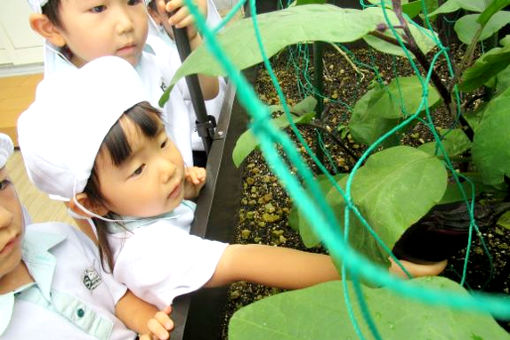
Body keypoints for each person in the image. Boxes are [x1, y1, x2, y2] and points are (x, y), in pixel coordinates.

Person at [18, 56, 342, 313]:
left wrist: (186, 192)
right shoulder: (148, 253)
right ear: (93, 204)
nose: (167, 168)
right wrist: (368, 275)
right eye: (138, 170)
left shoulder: (134, 209)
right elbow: (247, 260)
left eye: (161, 142)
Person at [0, 132, 173, 339]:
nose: (4, 218)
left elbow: (119, 298)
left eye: (1, 185)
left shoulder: (60, 238)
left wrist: (155, 326)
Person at [27, 0, 221, 167]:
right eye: (99, 8)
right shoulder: (60, 106)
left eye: (132, 1)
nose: (126, 24)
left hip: (185, 185)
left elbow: (207, 89)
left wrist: (191, 38)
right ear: (50, 27)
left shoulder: (153, 54)